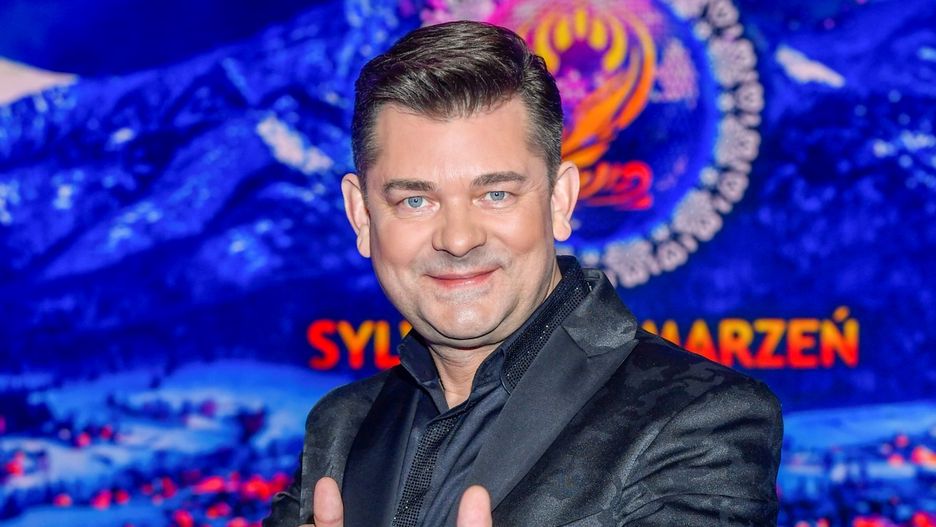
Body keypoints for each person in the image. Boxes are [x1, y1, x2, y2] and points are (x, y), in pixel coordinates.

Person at [263, 20, 782, 527]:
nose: (458, 239)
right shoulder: (341, 426)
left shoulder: (698, 418)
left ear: (559, 201)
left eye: (496, 194)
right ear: (361, 216)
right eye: (416, 200)